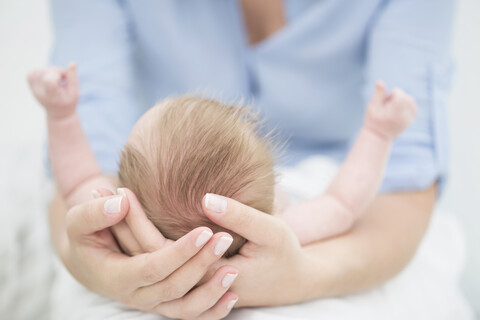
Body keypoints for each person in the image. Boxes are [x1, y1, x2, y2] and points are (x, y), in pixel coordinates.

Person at [47, 0, 454, 319]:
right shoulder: (286, 227)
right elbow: (345, 200)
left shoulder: (118, 230)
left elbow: (78, 175)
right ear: (272, 200)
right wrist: (379, 133)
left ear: (127, 199)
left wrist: (62, 116)